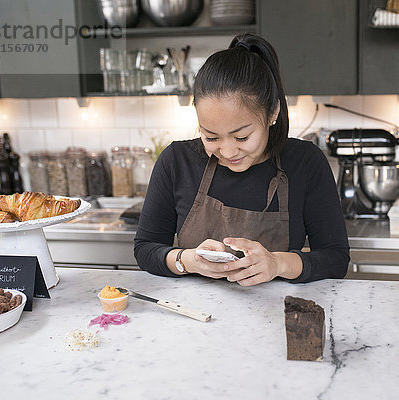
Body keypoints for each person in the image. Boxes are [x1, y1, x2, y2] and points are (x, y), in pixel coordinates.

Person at [134, 33, 349, 286]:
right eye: (211, 137)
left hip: (273, 316)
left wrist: (277, 263)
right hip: (193, 317)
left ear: (273, 113)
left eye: (242, 137)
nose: (227, 152)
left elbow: (336, 259)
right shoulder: (176, 161)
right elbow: (146, 249)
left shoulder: (305, 163)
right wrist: (186, 260)